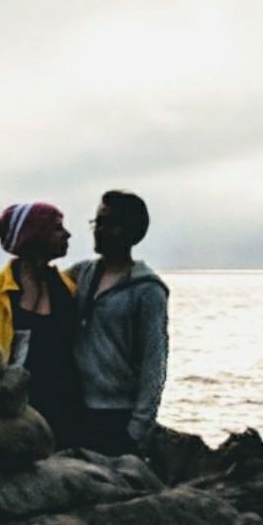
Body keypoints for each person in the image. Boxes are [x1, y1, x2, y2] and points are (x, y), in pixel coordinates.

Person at [0, 201, 83, 444]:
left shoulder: (67, 287)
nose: (67, 234)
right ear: (35, 236)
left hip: (65, 404)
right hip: (15, 409)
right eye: (57, 228)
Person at [70, 189, 170, 456]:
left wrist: (138, 427)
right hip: (75, 407)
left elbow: (154, 362)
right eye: (97, 222)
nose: (100, 231)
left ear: (132, 231)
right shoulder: (82, 274)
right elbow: (30, 283)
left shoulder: (148, 289)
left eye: (110, 224)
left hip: (118, 414)